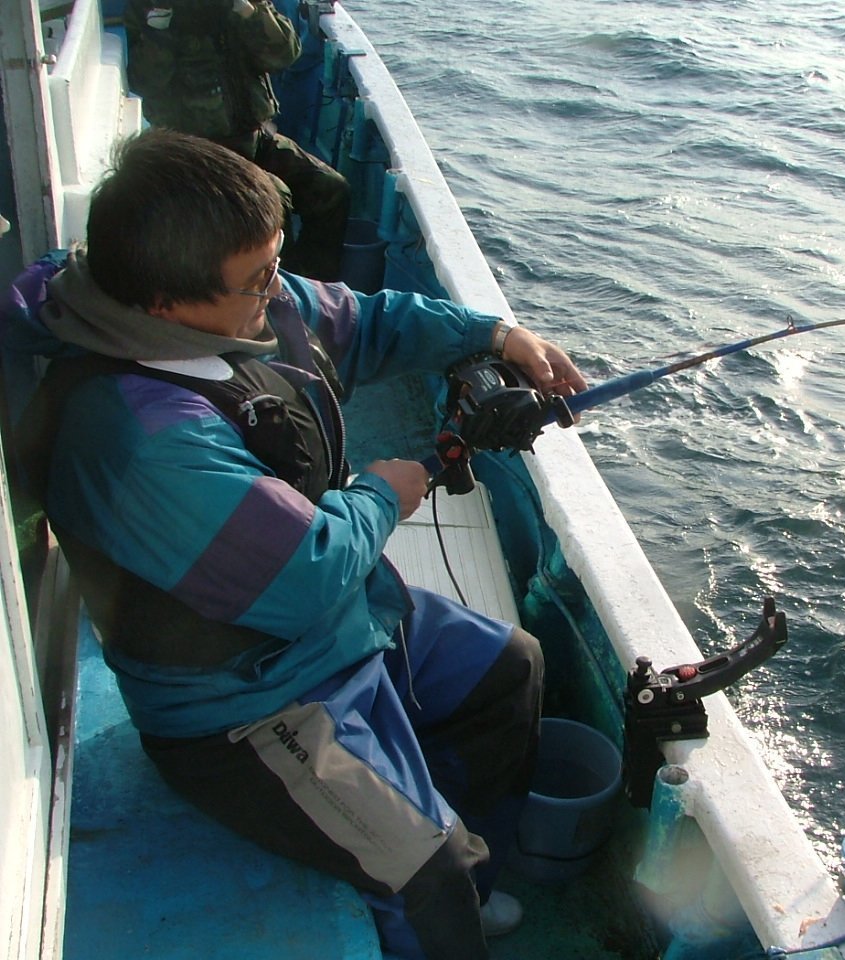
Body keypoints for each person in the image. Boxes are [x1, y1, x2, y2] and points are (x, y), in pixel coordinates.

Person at [3, 128, 588, 959]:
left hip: (346, 624)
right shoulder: (139, 437)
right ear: (165, 304)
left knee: (511, 668)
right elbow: (304, 575)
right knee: (427, 880)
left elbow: (358, 318)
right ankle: (443, 877)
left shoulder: (250, 304)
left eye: (276, 263)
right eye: (258, 279)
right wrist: (384, 493)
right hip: (246, 706)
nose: (280, 290)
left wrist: (494, 337)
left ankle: (462, 851)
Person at [124, 0, 351, 280]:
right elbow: (144, 81)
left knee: (331, 189)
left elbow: (284, 55)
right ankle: (275, 302)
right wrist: (160, 29)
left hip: (253, 136)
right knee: (274, 199)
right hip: (196, 152)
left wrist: (251, 12)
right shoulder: (150, 6)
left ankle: (312, 286)